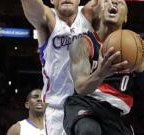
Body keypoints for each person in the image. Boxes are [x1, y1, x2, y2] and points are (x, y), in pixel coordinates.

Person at [63, 0, 144, 134]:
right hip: (86, 104)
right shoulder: (83, 43)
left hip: (117, 113)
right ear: (100, 11)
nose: (114, 2)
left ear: (126, 17)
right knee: (89, 130)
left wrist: (140, 65)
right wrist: (101, 73)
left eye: (121, 2)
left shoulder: (136, 48)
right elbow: (80, 88)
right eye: (107, 0)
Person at [20, 0, 102, 134]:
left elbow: (112, 6)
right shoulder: (47, 18)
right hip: (57, 110)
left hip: (87, 106)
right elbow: (31, 5)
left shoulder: (89, 13)